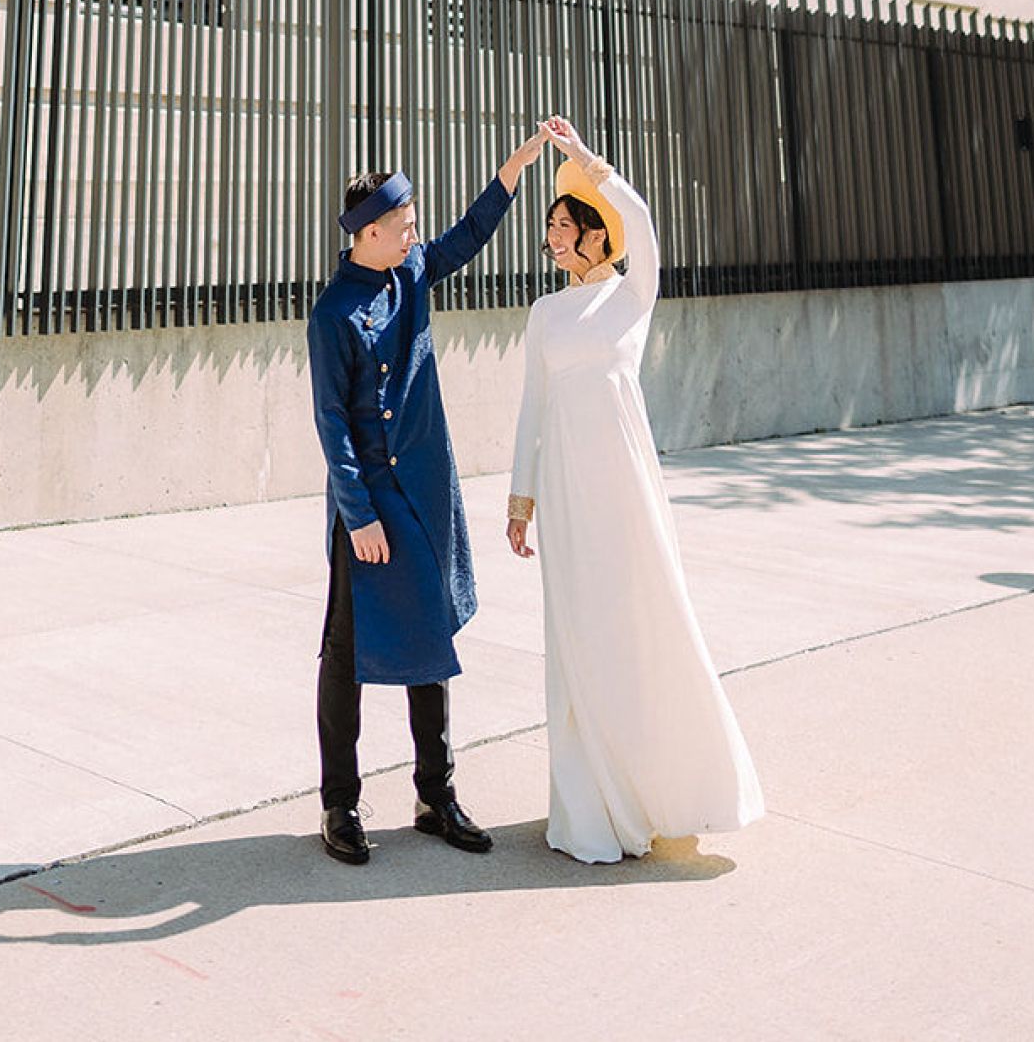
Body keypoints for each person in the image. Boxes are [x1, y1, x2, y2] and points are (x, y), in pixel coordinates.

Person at [507, 117, 765, 863]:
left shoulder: (630, 297)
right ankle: (591, 808)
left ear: (595, 233)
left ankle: (662, 789)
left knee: (643, 621)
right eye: (549, 226)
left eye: (564, 224)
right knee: (577, 633)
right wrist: (520, 498)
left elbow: (645, 224)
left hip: (623, 482)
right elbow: (534, 406)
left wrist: (588, 162)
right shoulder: (545, 313)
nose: (553, 237)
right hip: (564, 489)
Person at [307, 129, 547, 867]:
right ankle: (339, 804)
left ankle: (434, 792)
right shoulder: (332, 315)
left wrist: (511, 170)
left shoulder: (407, 267)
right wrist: (360, 514)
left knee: (430, 643)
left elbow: (465, 237)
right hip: (373, 503)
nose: (416, 233)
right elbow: (333, 424)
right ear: (368, 232)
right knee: (345, 653)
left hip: (425, 488)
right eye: (404, 224)